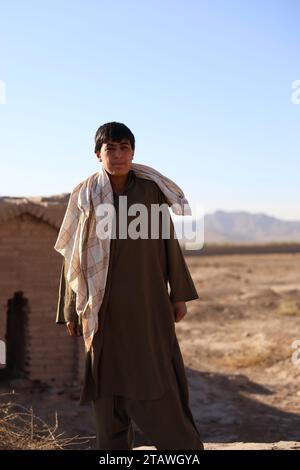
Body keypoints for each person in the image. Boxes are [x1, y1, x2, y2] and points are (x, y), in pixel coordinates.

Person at [55, 121, 204, 450]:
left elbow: (167, 241)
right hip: (101, 310)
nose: (118, 155)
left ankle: (184, 451)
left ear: (133, 152)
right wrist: (69, 309)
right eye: (111, 148)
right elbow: (73, 253)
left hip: (148, 306)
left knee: (156, 381)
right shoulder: (84, 195)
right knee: (107, 393)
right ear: (98, 154)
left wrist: (178, 294)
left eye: (124, 147)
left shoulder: (149, 191)